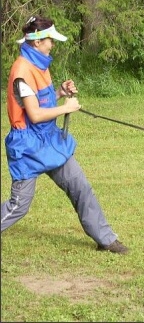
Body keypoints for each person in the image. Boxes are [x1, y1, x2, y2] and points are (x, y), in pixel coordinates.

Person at [1, 16, 128, 254]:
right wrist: (67, 108)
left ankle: (106, 239)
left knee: (80, 186)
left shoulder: (39, 64)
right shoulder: (22, 71)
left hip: (49, 141)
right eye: (50, 40)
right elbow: (35, 115)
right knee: (18, 206)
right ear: (38, 42)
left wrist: (60, 92)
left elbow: (41, 102)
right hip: (27, 147)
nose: (53, 44)